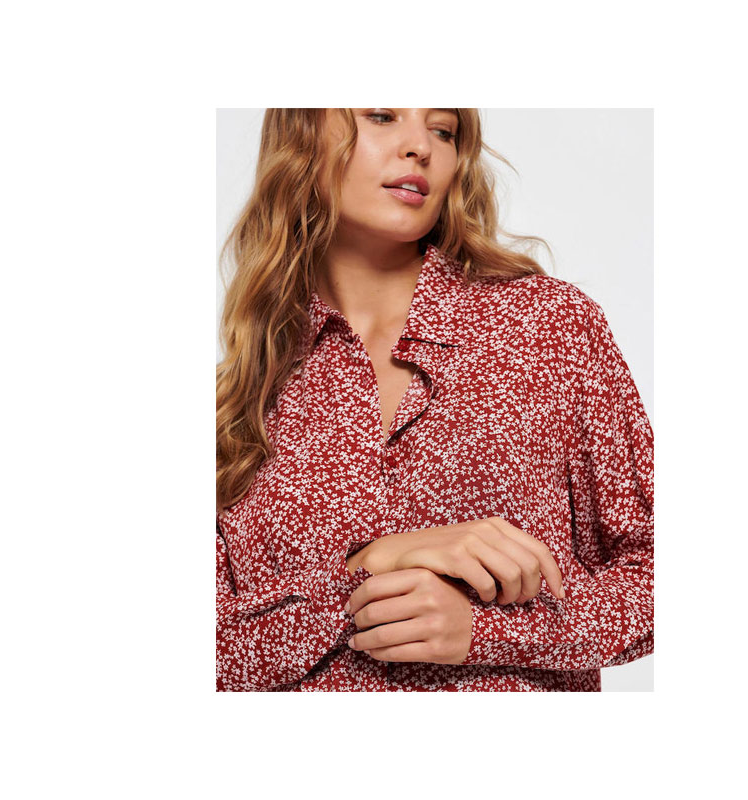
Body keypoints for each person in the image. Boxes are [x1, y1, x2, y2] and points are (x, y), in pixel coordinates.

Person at [216, 108, 653, 691]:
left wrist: (487, 630)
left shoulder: (546, 329)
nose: (420, 147)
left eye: (443, 130)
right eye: (382, 116)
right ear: (301, 134)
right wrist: (365, 569)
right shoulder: (238, 400)